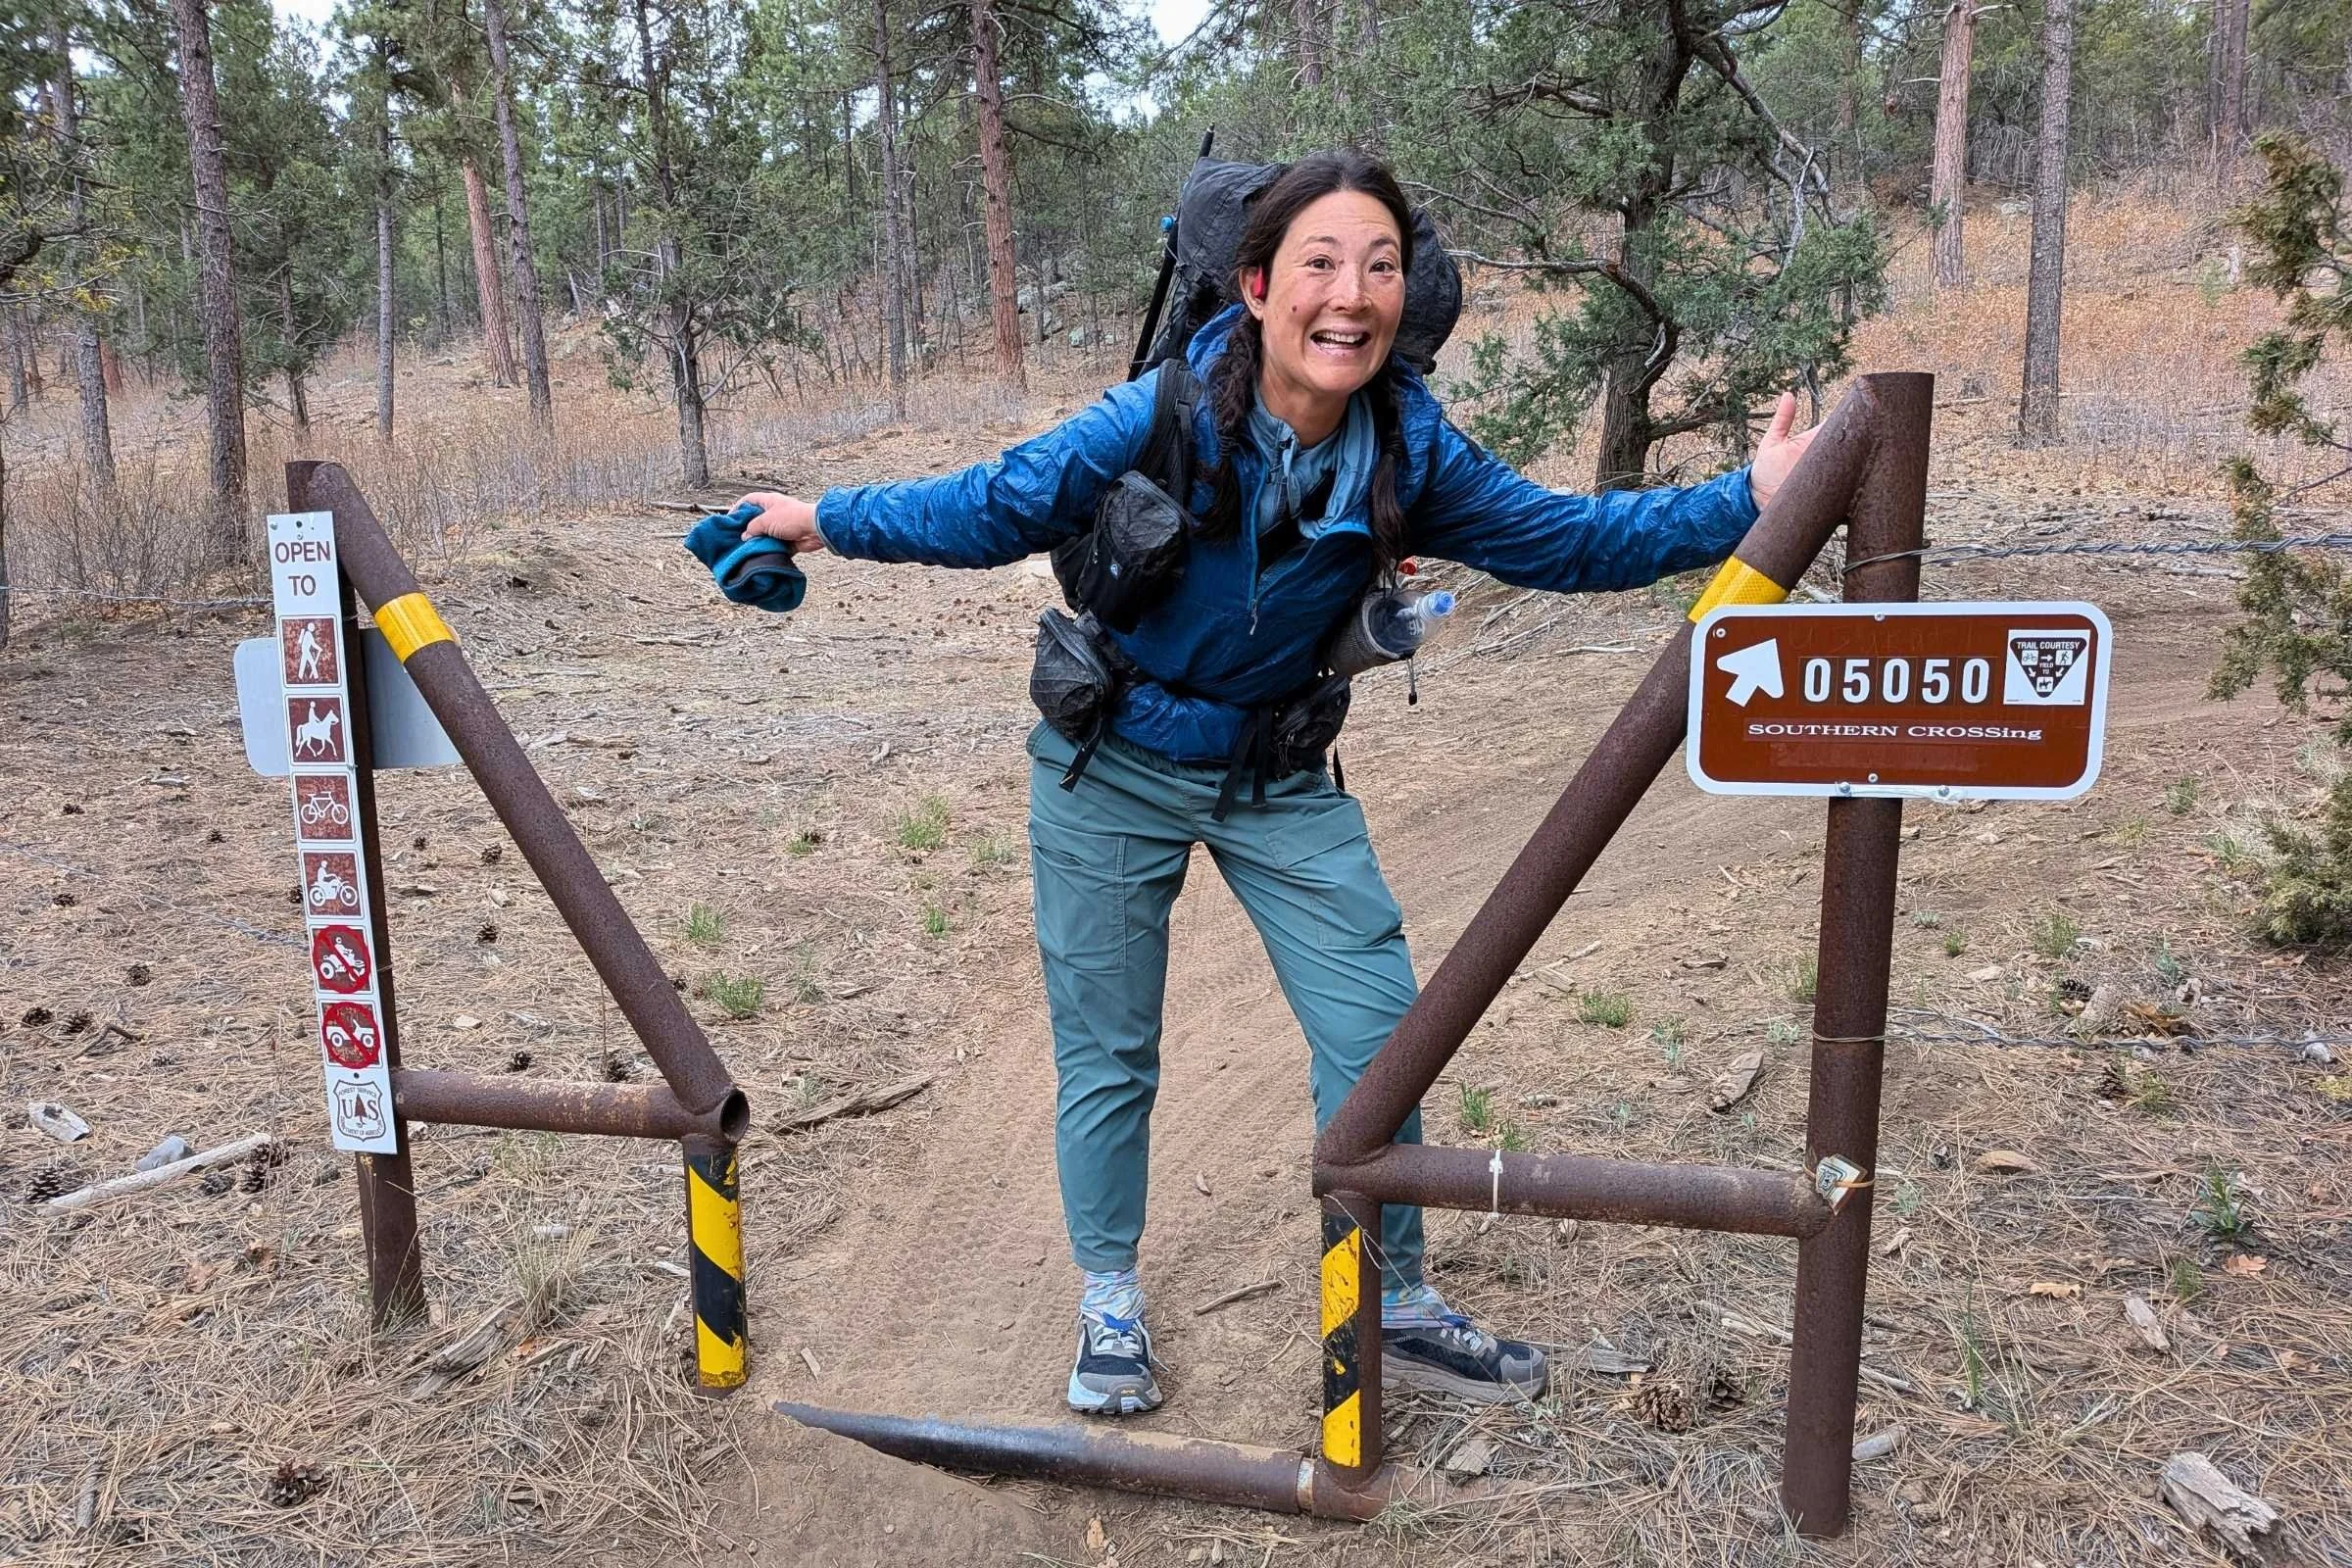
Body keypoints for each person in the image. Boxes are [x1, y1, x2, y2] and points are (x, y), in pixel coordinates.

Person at [735, 150, 1817, 1416]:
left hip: (1276, 773)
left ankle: (1394, 1300)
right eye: (1319, 263)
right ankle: (1110, 1304)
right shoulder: (1166, 412)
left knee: (1378, 1031)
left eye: (1378, 266)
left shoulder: (1411, 447)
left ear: (1403, 299)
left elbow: (1571, 540)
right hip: (1109, 763)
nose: (1349, 294)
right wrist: (822, 517)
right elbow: (994, 505)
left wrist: (1747, 498)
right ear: (1254, 285)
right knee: (1111, 1053)